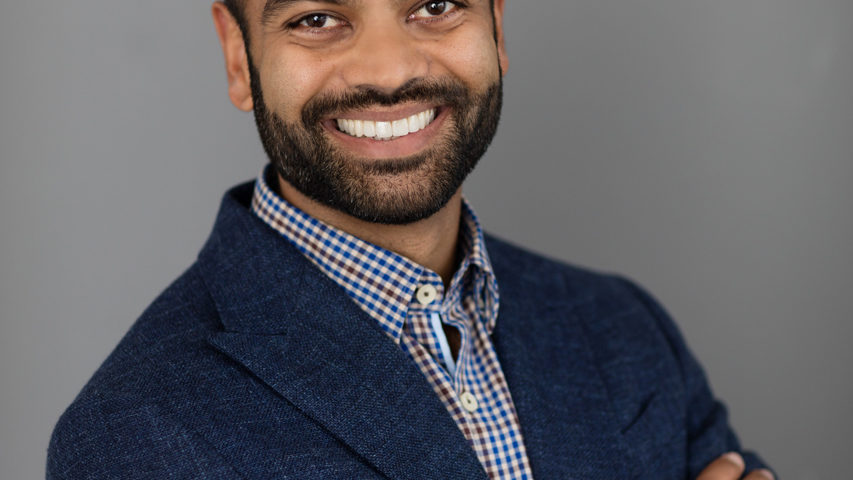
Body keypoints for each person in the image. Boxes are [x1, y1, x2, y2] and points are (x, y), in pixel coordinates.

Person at [47, 1, 776, 478]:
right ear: (239, 58)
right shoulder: (134, 437)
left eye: (434, 5)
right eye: (316, 18)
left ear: (495, 26)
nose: (390, 70)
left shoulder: (623, 327)